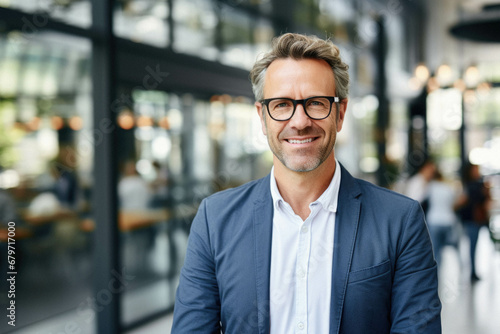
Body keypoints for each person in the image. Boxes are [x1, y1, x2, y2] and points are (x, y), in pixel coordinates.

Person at [172, 33, 441, 333]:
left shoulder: (400, 220)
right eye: (282, 104)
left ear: (340, 114)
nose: (299, 121)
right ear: (262, 117)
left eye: (315, 103)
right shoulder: (215, 220)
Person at [455, 163, 491, 282]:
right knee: (472, 246)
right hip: (472, 219)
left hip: (474, 219)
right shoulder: (473, 185)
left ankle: (473, 271)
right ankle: (472, 272)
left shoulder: (476, 184)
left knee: (473, 245)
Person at [426, 168, 459, 266]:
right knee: (454, 249)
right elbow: (453, 203)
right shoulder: (447, 188)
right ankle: (460, 269)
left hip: (434, 221)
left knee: (436, 251)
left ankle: (437, 273)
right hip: (448, 220)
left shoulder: (430, 187)